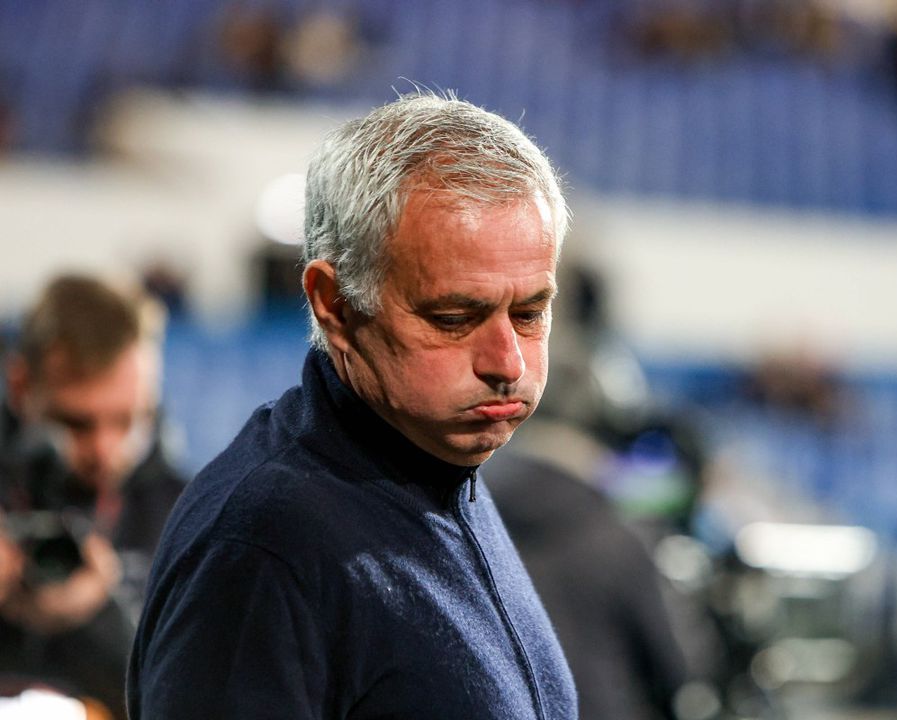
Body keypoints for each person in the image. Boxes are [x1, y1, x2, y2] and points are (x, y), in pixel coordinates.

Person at [128, 93, 576, 719]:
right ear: (334, 304)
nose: (508, 363)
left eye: (529, 313)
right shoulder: (262, 548)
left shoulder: (439, 467)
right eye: (454, 318)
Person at [0, 274, 187, 719]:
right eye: (76, 423)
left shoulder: (188, 513)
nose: (105, 451)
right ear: (21, 386)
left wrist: (100, 612)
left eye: (127, 420)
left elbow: (186, 698)